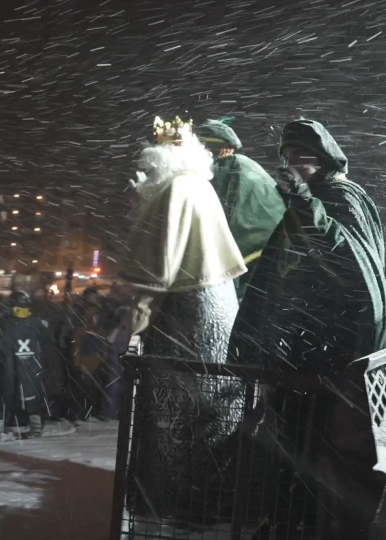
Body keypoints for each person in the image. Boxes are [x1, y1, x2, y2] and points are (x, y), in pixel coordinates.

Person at [227, 119, 386, 539]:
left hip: (330, 354)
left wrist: (304, 204)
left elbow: (344, 259)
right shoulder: (321, 197)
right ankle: (290, 522)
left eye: (300, 157)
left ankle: (303, 525)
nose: (292, 166)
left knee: (314, 447)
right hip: (311, 351)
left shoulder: (342, 197)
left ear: (321, 159)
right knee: (293, 444)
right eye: (286, 158)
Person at [118, 115, 248, 523]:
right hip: (217, 305)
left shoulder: (173, 191)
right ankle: (210, 504)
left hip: (186, 316)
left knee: (173, 416)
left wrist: (135, 327)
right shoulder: (199, 185)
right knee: (211, 410)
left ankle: (170, 507)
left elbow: (156, 272)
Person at [196, 116, 286, 300]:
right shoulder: (248, 164)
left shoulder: (223, 168)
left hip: (250, 247)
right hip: (276, 244)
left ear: (221, 148)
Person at [0, 291, 47, 442]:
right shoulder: (38, 324)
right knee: (32, 397)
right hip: (31, 369)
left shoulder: (5, 325)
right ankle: (36, 428)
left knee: (2, 399)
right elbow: (47, 347)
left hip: (9, 370)